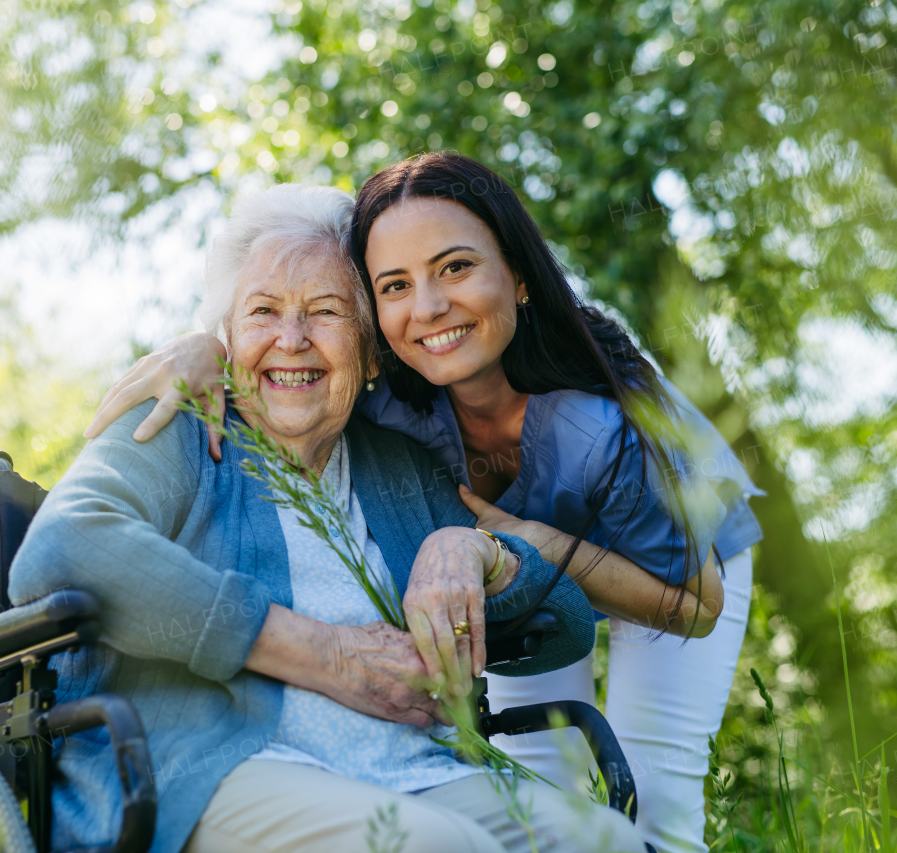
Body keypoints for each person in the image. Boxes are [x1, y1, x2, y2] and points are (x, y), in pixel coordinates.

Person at [85, 154, 764, 853]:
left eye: (457, 268)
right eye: (395, 286)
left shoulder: (598, 424)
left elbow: (696, 607)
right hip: (521, 576)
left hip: (674, 574)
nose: (429, 307)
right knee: (539, 781)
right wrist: (206, 347)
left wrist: (532, 539)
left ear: (519, 275)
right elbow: (289, 347)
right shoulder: (388, 400)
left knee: (656, 798)